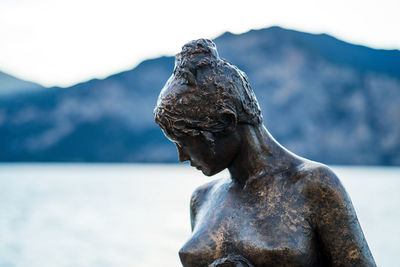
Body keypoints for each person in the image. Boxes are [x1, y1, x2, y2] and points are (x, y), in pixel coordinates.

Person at [154, 39, 376, 267]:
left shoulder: (314, 185)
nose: (182, 156)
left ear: (227, 122)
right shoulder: (202, 199)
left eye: (186, 142)